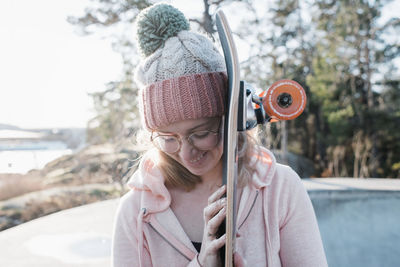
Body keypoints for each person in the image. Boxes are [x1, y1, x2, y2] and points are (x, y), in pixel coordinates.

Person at [112, 3, 328, 267]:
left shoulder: (280, 189)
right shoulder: (135, 212)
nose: (185, 153)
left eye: (200, 133)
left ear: (230, 119)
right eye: (168, 138)